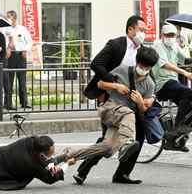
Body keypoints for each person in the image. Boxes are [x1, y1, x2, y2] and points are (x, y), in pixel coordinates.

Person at [75, 15, 153, 185]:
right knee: (107, 139)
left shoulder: (142, 50)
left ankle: (122, 173)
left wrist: (148, 97)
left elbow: (148, 72)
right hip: (112, 96)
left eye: (145, 31)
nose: (143, 34)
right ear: (130, 29)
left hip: (133, 100)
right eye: (141, 30)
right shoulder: (116, 45)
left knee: (138, 135)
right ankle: (83, 170)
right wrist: (113, 82)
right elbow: (96, 64)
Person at [68, 46, 158, 179]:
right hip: (112, 110)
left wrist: (139, 101)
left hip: (128, 117)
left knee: (113, 146)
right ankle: (124, 145)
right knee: (118, 132)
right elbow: (100, 84)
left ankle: (121, 173)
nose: (144, 69)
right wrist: (116, 86)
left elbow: (144, 108)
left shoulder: (149, 83)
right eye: (142, 65)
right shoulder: (122, 70)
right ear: (137, 62)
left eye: (148, 67)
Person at [152, 24, 192, 152]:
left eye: (172, 35)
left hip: (173, 83)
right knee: (187, 92)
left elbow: (185, 60)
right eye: (167, 35)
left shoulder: (174, 46)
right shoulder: (158, 45)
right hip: (162, 84)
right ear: (162, 35)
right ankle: (177, 129)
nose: (170, 37)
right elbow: (164, 64)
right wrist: (184, 73)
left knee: (190, 108)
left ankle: (177, 140)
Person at [3, 10, 32, 109]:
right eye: (7, 17)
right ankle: (8, 103)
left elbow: (29, 42)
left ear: (14, 18)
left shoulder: (22, 29)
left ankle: (24, 102)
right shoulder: (5, 29)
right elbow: (3, 42)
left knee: (22, 80)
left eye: (9, 17)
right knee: (9, 81)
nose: (7, 19)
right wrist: (7, 48)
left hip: (21, 56)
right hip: (10, 56)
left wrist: (25, 49)